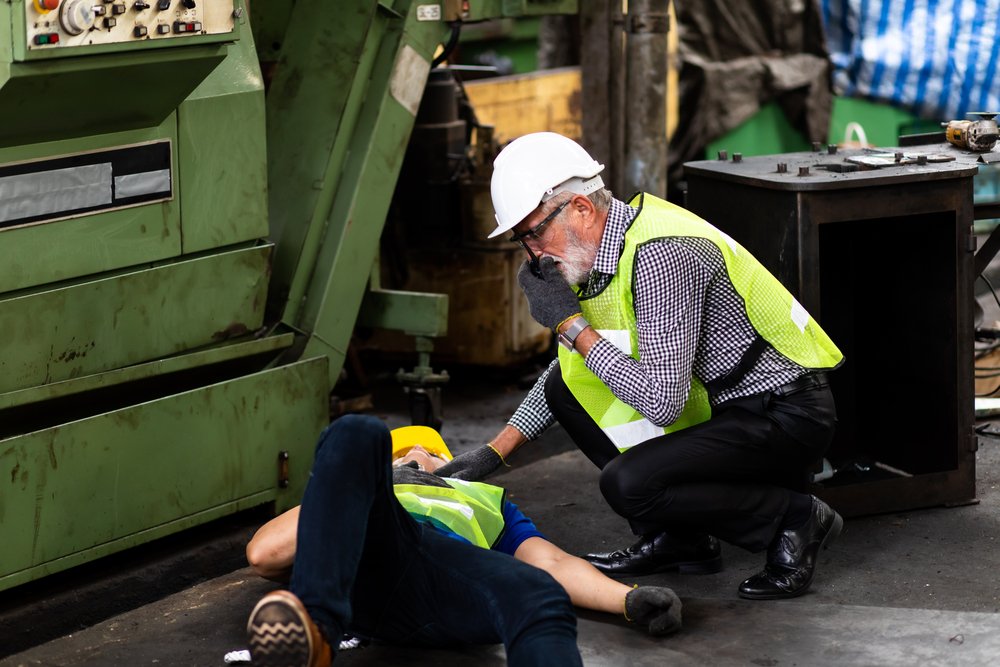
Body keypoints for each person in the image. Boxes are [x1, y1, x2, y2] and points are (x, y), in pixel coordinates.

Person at [434, 131, 845, 601]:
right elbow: (571, 371)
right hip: (731, 411)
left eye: (534, 234)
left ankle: (794, 519)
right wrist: (494, 452)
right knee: (565, 394)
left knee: (629, 483)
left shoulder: (659, 255)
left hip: (786, 414)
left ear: (581, 209)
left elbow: (661, 402)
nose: (532, 255)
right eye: (522, 241)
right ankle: (680, 537)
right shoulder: (606, 258)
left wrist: (569, 323)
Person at [244, 415, 682, 667]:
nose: (412, 456)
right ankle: (317, 636)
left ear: (446, 459)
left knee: (536, 592)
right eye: (399, 455)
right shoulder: (358, 498)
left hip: (444, 586)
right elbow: (266, 554)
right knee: (356, 430)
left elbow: (552, 563)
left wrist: (628, 598)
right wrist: (365, 484)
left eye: (425, 452)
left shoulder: (485, 499)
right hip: (363, 574)